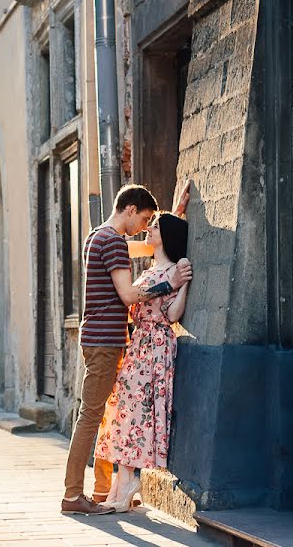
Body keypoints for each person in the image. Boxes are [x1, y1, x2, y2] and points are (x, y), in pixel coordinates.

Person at [61, 184, 192, 516]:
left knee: (107, 414)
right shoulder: (113, 243)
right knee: (92, 416)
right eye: (146, 218)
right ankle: (74, 494)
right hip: (106, 342)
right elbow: (130, 296)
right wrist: (171, 284)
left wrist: (172, 219)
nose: (145, 227)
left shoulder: (98, 236)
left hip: (97, 338)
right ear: (131, 209)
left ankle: (103, 489)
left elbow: (146, 249)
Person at [94, 212, 190, 512]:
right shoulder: (151, 269)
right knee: (124, 412)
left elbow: (173, 315)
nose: (149, 228)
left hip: (156, 346)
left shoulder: (174, 270)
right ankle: (122, 484)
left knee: (134, 413)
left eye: (156, 226)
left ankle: (125, 483)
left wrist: (183, 283)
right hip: (139, 345)